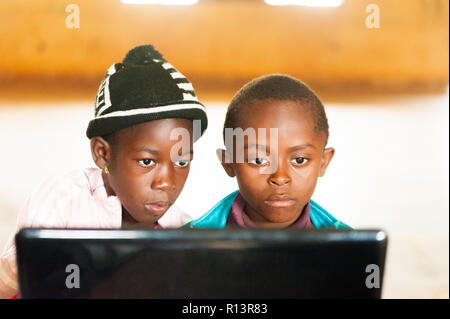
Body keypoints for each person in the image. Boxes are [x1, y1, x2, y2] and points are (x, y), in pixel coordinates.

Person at [0, 44, 208, 298]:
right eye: (146, 161)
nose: (167, 182)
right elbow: (12, 283)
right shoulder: (62, 201)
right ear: (103, 153)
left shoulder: (186, 229)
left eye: (182, 162)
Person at [184, 74, 349, 229]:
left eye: (299, 160)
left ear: (323, 162)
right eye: (258, 160)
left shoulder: (353, 249)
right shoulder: (183, 244)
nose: (280, 178)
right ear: (228, 162)